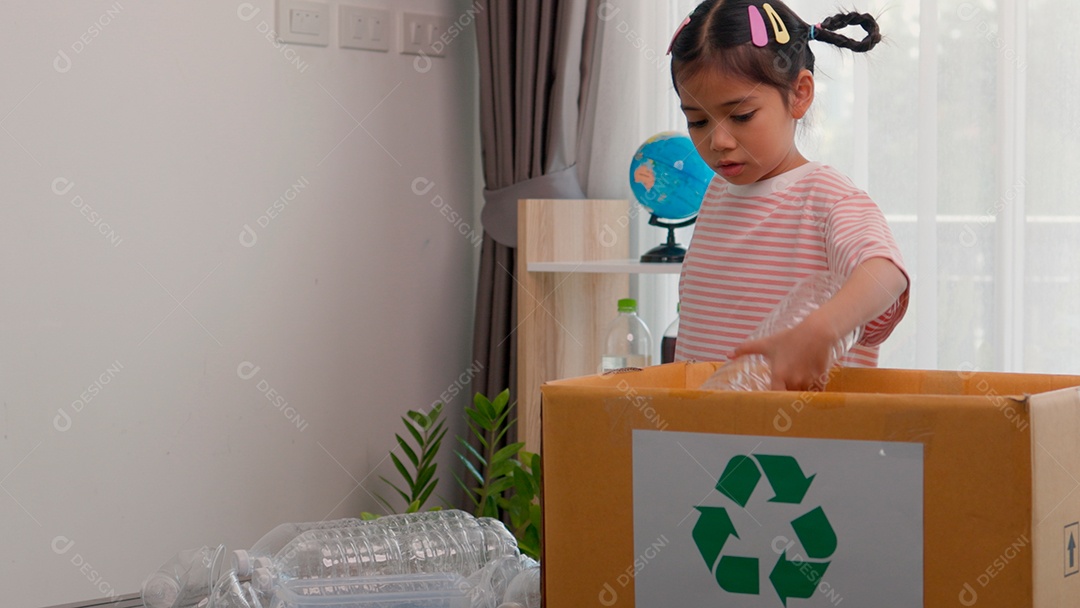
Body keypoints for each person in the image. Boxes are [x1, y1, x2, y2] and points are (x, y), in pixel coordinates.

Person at [668, 0, 909, 390]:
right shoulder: (717, 192)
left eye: (741, 115)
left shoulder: (828, 197)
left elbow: (886, 275)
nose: (718, 141)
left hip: (801, 443)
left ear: (799, 93)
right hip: (709, 432)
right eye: (696, 120)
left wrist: (822, 329)